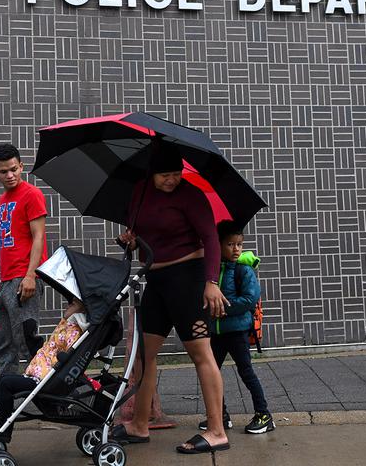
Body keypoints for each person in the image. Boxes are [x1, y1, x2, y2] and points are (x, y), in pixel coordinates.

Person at [112, 141, 231, 454]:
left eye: (176, 173)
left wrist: (211, 281)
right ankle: (139, 425)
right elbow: (139, 237)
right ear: (152, 173)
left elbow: (211, 239)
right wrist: (129, 240)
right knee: (142, 355)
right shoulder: (139, 193)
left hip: (189, 279)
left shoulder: (190, 196)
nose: (172, 179)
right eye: (165, 174)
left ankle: (216, 431)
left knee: (200, 353)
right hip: (157, 279)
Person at [0, 144, 49, 417]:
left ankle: (47, 394)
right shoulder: (3, 200)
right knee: (4, 343)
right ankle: (3, 398)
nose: (10, 175)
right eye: (4, 171)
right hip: (7, 281)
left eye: (14, 169)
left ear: (21, 166)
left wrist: (31, 275)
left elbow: (38, 236)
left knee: (27, 340)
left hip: (24, 278)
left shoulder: (32, 194)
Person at [0, 299, 89, 442]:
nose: (68, 304)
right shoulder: (67, 326)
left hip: (45, 380)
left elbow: (68, 357)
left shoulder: (75, 332)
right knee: (3, 381)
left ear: (83, 309)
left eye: (73, 304)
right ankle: (2, 422)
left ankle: (3, 426)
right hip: (38, 375)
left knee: (4, 383)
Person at [199, 221, 274, 434]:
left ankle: (264, 415)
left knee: (246, 372)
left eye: (240, 244)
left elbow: (250, 298)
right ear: (218, 245)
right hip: (216, 332)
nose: (237, 249)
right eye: (231, 244)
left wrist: (225, 309)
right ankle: (220, 416)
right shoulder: (211, 270)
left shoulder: (243, 269)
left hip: (237, 331)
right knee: (211, 373)